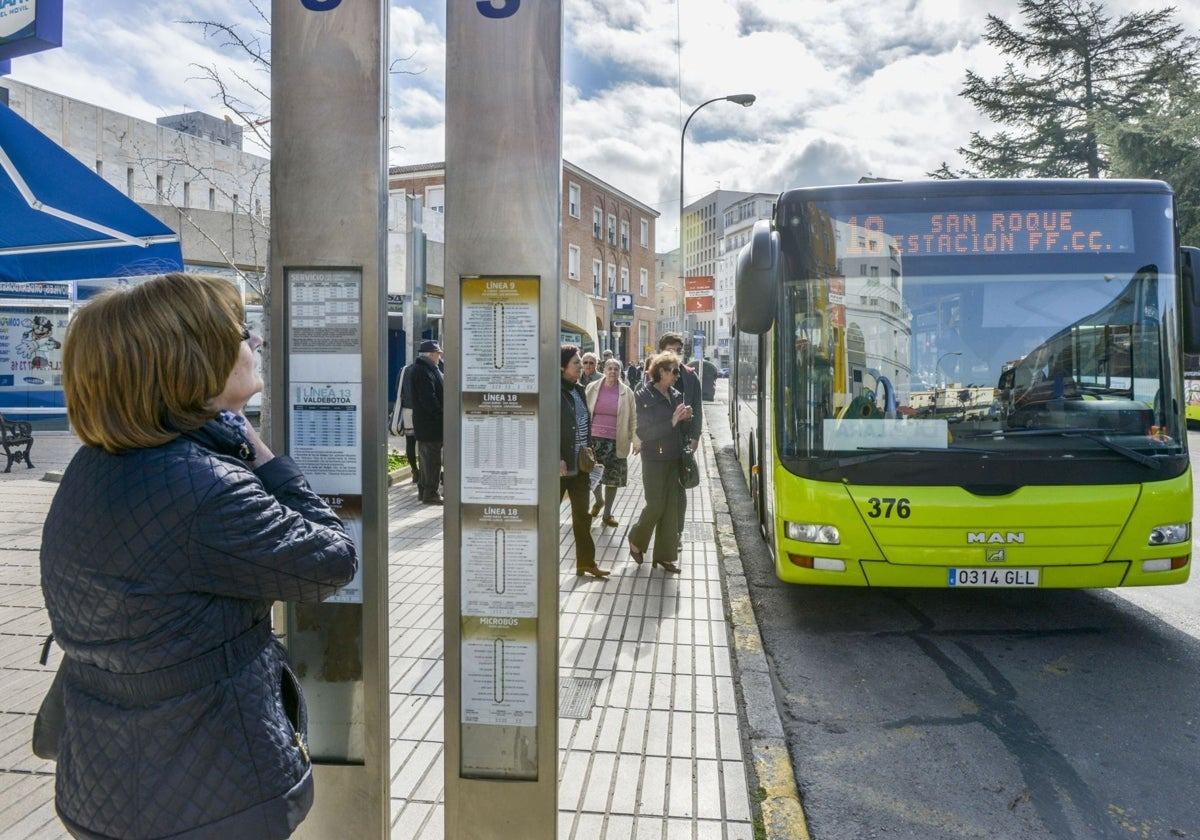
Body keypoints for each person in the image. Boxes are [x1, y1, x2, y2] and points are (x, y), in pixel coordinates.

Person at [41, 273, 358, 840]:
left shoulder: (94, 466)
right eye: (241, 332)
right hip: (211, 798)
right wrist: (261, 453)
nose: (254, 342)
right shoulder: (204, 487)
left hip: (102, 782)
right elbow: (332, 559)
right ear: (193, 362)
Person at [627, 352, 693, 573]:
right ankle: (636, 538)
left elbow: (679, 428)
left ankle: (665, 556)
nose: (677, 376)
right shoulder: (643, 395)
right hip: (654, 458)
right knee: (655, 504)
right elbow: (643, 431)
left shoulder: (675, 394)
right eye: (674, 371)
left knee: (671, 507)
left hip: (673, 457)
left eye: (678, 371)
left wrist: (685, 419)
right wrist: (672, 420)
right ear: (661, 371)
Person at [560, 345, 610, 579]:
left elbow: (584, 424)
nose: (581, 367)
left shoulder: (579, 391)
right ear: (562, 367)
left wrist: (589, 450)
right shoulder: (553, 391)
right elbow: (546, 428)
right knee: (548, 517)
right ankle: (539, 564)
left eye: (581, 363)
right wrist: (556, 457)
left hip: (580, 465)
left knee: (582, 516)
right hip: (559, 467)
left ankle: (586, 563)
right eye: (576, 363)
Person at [658, 332, 703, 550]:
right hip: (659, 439)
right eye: (670, 349)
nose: (674, 353)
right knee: (658, 490)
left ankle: (677, 533)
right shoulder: (652, 374)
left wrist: (695, 437)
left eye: (677, 349)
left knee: (679, 488)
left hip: (682, 439)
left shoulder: (690, 376)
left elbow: (698, 407)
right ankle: (661, 533)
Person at [586, 358, 639, 527]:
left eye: (616, 368)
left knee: (613, 479)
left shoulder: (627, 392)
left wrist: (636, 440)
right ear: (604, 369)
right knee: (593, 475)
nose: (612, 371)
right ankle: (599, 501)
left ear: (620, 372)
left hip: (617, 441)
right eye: (609, 368)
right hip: (593, 441)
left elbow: (634, 419)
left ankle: (607, 514)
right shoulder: (592, 388)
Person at [412, 339, 445, 505]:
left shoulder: (428, 368)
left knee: (426, 459)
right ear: (432, 354)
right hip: (430, 424)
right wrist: (441, 415)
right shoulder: (423, 371)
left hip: (428, 424)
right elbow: (428, 398)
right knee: (431, 460)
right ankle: (430, 493)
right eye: (438, 354)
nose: (440, 357)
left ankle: (424, 490)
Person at [389, 359, 420, 485]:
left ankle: (414, 470)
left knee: (410, 442)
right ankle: (424, 472)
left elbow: (398, 390)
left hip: (407, 410)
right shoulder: (430, 368)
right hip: (422, 411)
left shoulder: (404, 370)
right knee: (425, 443)